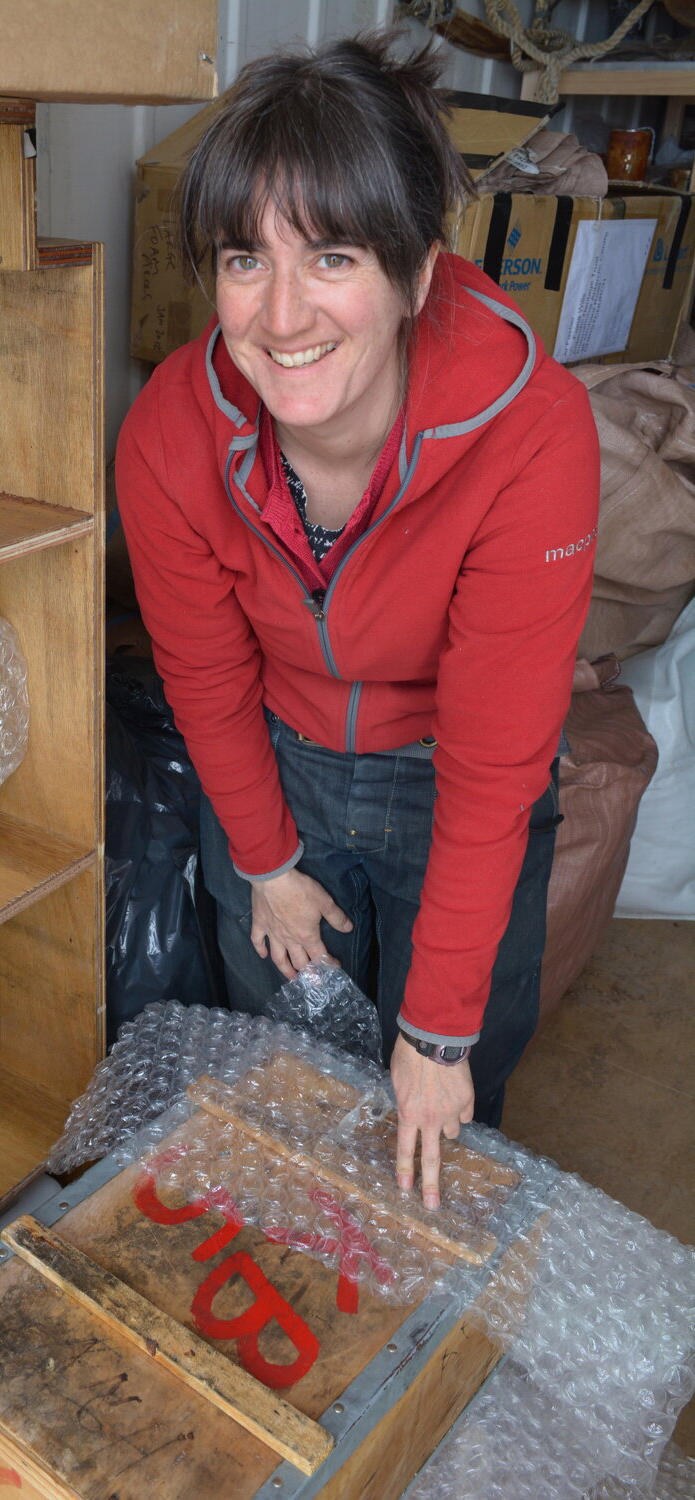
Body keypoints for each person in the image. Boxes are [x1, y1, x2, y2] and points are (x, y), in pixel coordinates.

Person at [116, 32, 599, 1210]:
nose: (282, 315)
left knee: (445, 1110)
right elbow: (204, 671)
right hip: (278, 760)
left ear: (414, 273)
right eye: (244, 259)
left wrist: (435, 1038)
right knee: (284, 1074)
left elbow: (494, 765)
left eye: (330, 255)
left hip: (452, 779)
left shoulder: (531, 435)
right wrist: (266, 860)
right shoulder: (172, 432)